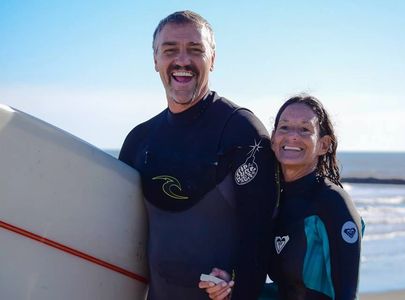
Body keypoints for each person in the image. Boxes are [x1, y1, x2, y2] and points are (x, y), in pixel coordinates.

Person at [119, 11, 278, 299]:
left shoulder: (242, 133)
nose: (182, 61)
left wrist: (237, 284)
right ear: (155, 59)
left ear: (213, 59)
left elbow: (260, 238)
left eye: (195, 50)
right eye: (170, 50)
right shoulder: (138, 141)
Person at [200, 95, 364, 300]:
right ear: (273, 139)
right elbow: (284, 288)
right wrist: (231, 286)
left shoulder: (333, 203)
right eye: (284, 127)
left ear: (324, 145)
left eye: (305, 129)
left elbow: (347, 294)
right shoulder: (272, 201)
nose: (292, 136)